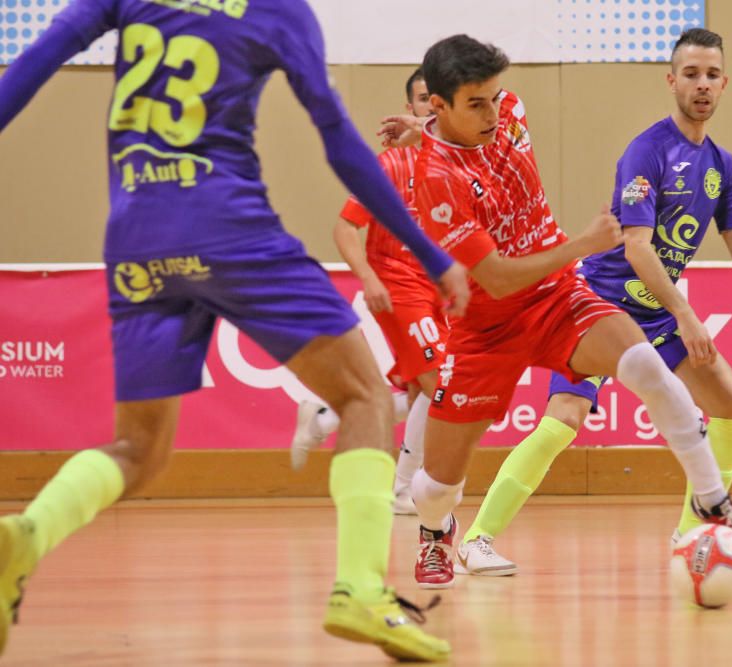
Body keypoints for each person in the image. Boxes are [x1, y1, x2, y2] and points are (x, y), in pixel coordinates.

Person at [0, 1, 468, 662]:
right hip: (226, 226)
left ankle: (26, 533)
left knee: (139, 448)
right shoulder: (278, 9)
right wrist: (428, 250)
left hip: (135, 238)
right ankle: (361, 588)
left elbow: (36, 62)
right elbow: (336, 137)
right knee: (364, 393)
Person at [379, 34, 732, 591]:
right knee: (436, 484)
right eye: (476, 104)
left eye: (495, 97)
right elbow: (498, 277)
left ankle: (715, 504)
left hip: (558, 297)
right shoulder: (433, 184)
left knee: (648, 369)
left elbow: (474, 134)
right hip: (487, 327)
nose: (494, 113)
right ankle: (437, 533)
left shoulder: (506, 109)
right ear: (437, 105)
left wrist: (433, 128)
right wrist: (583, 245)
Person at [290, 68, 447, 516]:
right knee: (438, 384)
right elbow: (344, 228)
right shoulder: (389, 165)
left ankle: (325, 418)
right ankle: (401, 489)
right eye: (420, 100)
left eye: (435, 101)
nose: (428, 108)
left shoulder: (452, 162)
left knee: (422, 390)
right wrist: (370, 278)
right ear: (409, 107)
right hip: (399, 283)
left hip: (438, 289)